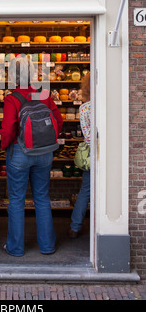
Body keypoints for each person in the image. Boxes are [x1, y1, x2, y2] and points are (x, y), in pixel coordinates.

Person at [0, 56, 63, 256]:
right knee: (42, 198)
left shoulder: (12, 98)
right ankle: (47, 246)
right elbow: (58, 121)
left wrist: (5, 146)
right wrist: (47, 141)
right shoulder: (43, 95)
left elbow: (8, 129)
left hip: (19, 152)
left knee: (17, 200)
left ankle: (16, 248)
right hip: (44, 153)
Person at [69, 72, 91, 238]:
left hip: (90, 155)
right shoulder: (106, 105)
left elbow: (86, 134)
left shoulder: (83, 108)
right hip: (106, 154)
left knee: (85, 190)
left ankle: (74, 228)